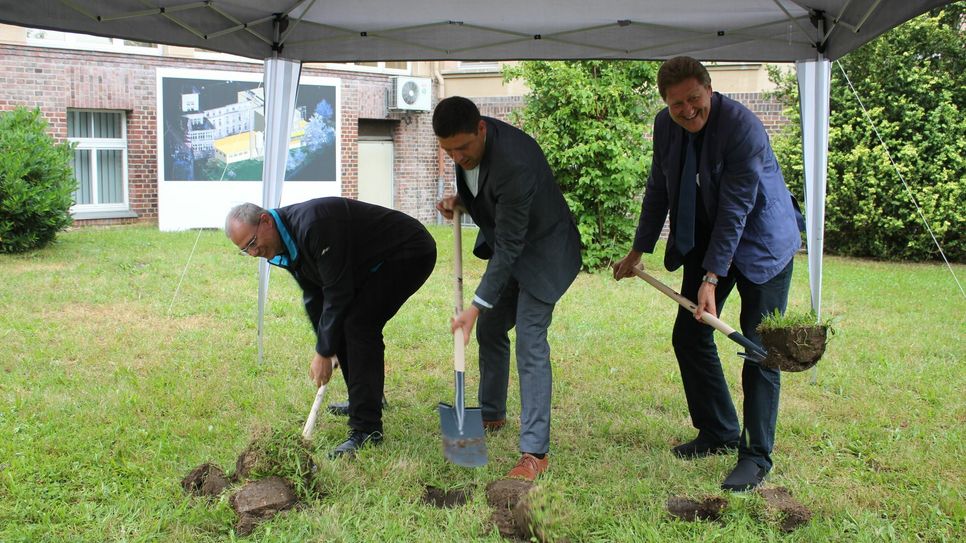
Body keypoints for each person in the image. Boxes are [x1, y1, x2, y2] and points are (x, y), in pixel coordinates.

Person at [612, 57, 803, 491]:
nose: (687, 110)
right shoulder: (666, 126)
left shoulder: (743, 128)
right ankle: (718, 429)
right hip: (708, 235)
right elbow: (659, 187)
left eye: (693, 99)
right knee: (690, 334)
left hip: (762, 243)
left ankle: (755, 456)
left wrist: (711, 279)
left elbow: (736, 209)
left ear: (709, 89)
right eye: (676, 103)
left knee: (759, 349)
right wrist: (638, 250)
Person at [433, 96, 581, 481]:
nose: (457, 157)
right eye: (448, 150)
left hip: (545, 252)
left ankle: (535, 452)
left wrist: (475, 305)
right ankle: (491, 414)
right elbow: (483, 194)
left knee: (531, 339)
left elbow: (513, 243)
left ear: (481, 129)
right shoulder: (466, 151)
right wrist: (459, 202)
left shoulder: (515, 162)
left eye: (463, 147)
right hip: (510, 248)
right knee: (492, 329)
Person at [225, 198, 436, 459]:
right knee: (347, 325)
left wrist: (324, 352)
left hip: (407, 251)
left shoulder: (314, 226)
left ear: (266, 221)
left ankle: (366, 428)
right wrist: (328, 344)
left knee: (359, 324)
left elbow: (338, 293)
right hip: (367, 263)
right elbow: (314, 295)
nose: (254, 253)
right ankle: (366, 400)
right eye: (246, 250)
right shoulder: (285, 241)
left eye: (253, 243)